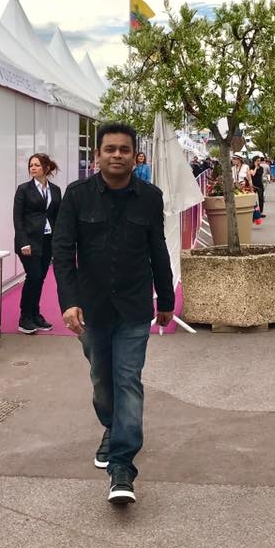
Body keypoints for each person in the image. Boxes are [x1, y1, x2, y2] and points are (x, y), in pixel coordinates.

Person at [52, 121, 174, 506]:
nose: (117, 155)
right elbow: (62, 252)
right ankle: (112, 427)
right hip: (92, 309)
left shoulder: (150, 198)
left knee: (127, 380)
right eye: (110, 149)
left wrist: (166, 299)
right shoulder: (76, 196)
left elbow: (159, 250)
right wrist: (69, 301)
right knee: (102, 380)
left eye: (124, 149)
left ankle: (122, 466)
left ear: (135, 155)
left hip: (135, 308)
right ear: (98, 155)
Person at [13, 153, 62, 334]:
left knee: (40, 279)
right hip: (29, 242)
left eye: (36, 165)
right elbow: (17, 218)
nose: (32, 168)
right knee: (33, 276)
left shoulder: (55, 190)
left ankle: (35, 315)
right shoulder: (24, 189)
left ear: (46, 168)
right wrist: (23, 242)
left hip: (47, 240)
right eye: (30, 165)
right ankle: (24, 317)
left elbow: (58, 216)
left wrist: (60, 241)